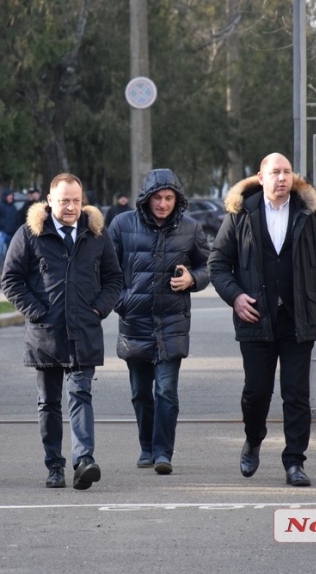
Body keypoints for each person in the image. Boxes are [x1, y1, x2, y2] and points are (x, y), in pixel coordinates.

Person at [209, 152, 316, 487]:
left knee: (296, 393)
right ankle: (253, 440)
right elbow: (217, 263)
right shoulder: (242, 213)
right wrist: (236, 296)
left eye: (287, 172)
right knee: (256, 392)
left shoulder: (311, 214)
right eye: (275, 172)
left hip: (299, 317)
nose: (282, 178)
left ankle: (295, 462)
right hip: (255, 317)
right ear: (261, 178)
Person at [1, 173, 122, 490]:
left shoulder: (95, 233)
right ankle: (54, 465)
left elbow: (114, 279)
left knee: (81, 393)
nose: (71, 207)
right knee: (49, 402)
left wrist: (98, 309)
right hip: (46, 334)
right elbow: (10, 280)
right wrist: (36, 311)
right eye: (64, 200)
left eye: (76, 201)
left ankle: (84, 462)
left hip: (84, 330)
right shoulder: (30, 234)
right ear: (50, 201)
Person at [108, 169, 210, 474]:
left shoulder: (191, 229)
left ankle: (163, 452)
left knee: (166, 390)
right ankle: (146, 447)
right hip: (134, 323)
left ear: (177, 199)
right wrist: (122, 302)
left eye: (168, 198)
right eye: (157, 197)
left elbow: (210, 266)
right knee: (141, 392)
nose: (163, 204)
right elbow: (106, 271)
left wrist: (194, 278)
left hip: (171, 324)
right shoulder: (122, 224)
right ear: (146, 198)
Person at [0, 188, 19, 272]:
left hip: (11, 233)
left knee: (9, 252)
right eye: (10, 195)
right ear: (5, 196)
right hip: (1, 233)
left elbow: (16, 219)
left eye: (12, 195)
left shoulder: (13, 207)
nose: (11, 197)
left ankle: (6, 268)